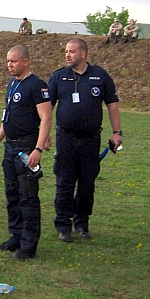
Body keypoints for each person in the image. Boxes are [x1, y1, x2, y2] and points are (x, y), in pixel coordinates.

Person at [47, 38, 121, 242]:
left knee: (87, 183)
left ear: (83, 54)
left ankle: (82, 223)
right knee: (64, 182)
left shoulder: (100, 76)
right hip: (66, 138)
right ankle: (63, 225)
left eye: (71, 51)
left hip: (90, 139)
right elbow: (46, 109)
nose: (67, 55)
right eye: (66, 51)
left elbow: (112, 104)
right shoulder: (58, 77)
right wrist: (43, 137)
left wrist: (117, 132)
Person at [0, 45, 52, 260]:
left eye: (13, 61)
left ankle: (28, 245)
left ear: (25, 61)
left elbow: (46, 118)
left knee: (28, 196)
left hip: (27, 146)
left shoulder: (37, 86)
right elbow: (8, 116)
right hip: (10, 145)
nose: (9, 65)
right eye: (8, 61)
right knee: (12, 194)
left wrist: (38, 148)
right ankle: (15, 236)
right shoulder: (12, 84)